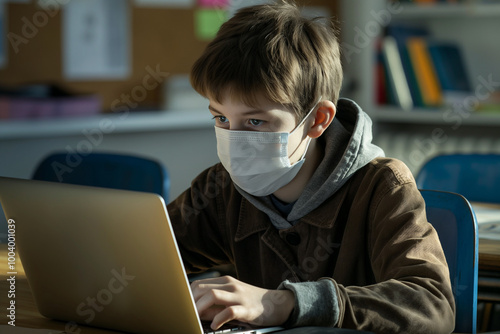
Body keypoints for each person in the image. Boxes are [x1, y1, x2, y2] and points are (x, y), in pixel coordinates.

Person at [166, 1, 455, 333]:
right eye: (220, 117)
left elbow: (432, 306)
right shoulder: (220, 189)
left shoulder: (382, 187)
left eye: (256, 121)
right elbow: (145, 264)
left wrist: (286, 303)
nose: (233, 139)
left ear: (317, 120)